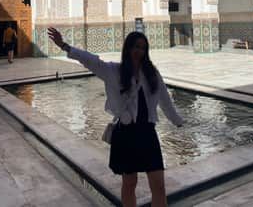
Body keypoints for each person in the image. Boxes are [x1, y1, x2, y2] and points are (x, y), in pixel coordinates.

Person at [47, 29, 183, 207]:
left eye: (142, 48)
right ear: (128, 49)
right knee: (129, 183)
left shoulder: (151, 74)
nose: (139, 51)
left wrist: (177, 121)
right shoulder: (114, 71)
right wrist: (65, 46)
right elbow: (91, 61)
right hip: (126, 134)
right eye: (135, 47)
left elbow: (165, 100)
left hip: (147, 134)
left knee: (158, 186)